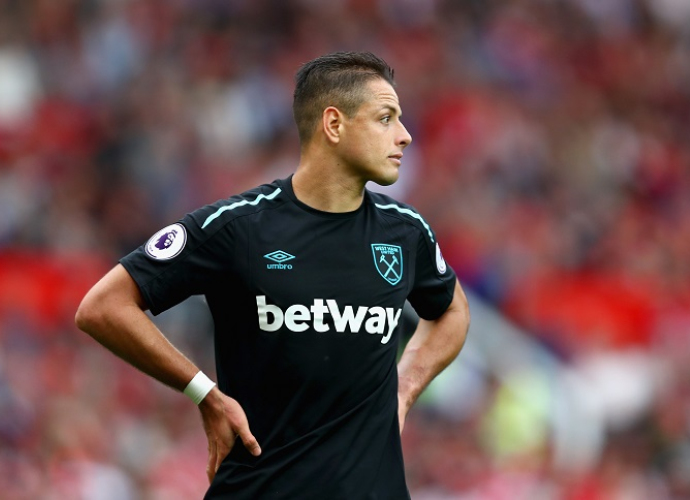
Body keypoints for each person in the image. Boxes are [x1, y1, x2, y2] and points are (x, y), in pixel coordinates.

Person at [75, 51, 470, 499]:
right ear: (334, 125)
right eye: (385, 118)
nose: (405, 135)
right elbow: (103, 306)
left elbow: (452, 311)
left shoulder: (405, 232)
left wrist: (404, 388)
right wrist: (204, 393)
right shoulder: (238, 227)